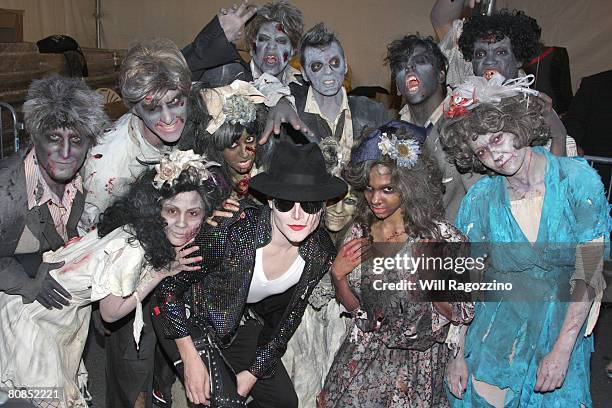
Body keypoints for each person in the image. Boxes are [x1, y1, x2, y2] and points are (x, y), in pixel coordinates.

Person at [0, 151, 221, 408]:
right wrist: (161, 273)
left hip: (48, 312)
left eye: (193, 213)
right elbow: (110, 313)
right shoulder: (132, 248)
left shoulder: (136, 226)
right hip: (35, 320)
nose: (182, 223)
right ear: (154, 206)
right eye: (171, 210)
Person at [440, 77, 610, 407]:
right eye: (482, 150)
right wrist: (457, 353)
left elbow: (589, 272)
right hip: (497, 328)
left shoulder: (576, 180)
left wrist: (562, 350)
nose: (496, 155)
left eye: (499, 138)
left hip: (560, 325)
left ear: (517, 126)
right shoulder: (480, 199)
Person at [153, 142, 347, 407]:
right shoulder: (231, 231)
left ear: (323, 206)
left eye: (311, 205)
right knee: (222, 401)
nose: (298, 215)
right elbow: (168, 291)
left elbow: (288, 317)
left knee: (284, 403)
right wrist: (190, 358)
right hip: (186, 319)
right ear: (270, 201)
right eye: (286, 203)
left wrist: (254, 372)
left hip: (236, 323)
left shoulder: (319, 251)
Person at [318, 121, 473, 407]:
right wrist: (338, 277)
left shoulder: (441, 237)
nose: (375, 199)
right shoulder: (359, 232)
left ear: (409, 186)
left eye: (387, 188)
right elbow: (359, 313)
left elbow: (460, 314)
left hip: (416, 371)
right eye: (368, 188)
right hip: (362, 361)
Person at [0, 75, 108, 308]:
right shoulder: (8, 193)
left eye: (76, 139)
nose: (66, 152)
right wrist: (24, 284)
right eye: (54, 138)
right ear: (35, 137)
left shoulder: (87, 177)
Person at [430, 0, 574, 157]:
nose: (489, 60)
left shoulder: (535, 108)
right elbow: (440, 18)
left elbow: (556, 176)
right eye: (480, 54)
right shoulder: (462, 100)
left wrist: (558, 134)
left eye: (501, 52)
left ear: (518, 59)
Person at [386, 34, 470, 222]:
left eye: (420, 61)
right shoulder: (390, 135)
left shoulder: (465, 122)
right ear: (398, 87)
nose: (409, 68)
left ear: (441, 74)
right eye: (401, 66)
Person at [288, 23, 391, 155]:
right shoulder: (290, 116)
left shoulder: (374, 113)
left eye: (334, 62)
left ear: (345, 65)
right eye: (317, 65)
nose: (328, 71)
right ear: (304, 73)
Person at [179, 79, 273, 201]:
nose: (245, 153)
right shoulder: (205, 184)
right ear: (215, 147)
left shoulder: (271, 171)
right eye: (233, 145)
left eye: (249, 139)